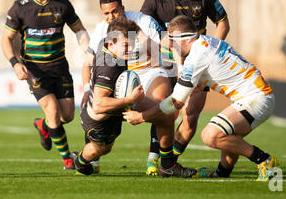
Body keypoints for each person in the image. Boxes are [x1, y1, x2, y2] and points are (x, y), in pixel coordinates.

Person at [124, 15, 278, 181]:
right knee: (228, 134)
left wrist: (141, 117)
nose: (172, 47)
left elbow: (175, 102)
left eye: (173, 41)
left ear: (185, 39)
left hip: (256, 98)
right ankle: (222, 173)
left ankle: (264, 159)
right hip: (256, 95)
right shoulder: (205, 42)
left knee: (211, 135)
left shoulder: (197, 55)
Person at [72, 17, 197, 178]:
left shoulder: (111, 40)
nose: (131, 49)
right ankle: (81, 161)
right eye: (126, 45)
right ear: (111, 44)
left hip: (119, 100)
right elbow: (99, 105)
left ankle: (167, 166)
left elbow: (130, 34)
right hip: (100, 118)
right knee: (101, 149)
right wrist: (130, 100)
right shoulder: (108, 67)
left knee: (165, 116)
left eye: (132, 43)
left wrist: (134, 28)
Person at [140, 0, 230, 171]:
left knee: (190, 116)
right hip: (166, 63)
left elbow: (223, 22)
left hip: (198, 63)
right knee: (164, 108)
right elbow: (143, 31)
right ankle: (155, 158)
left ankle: (168, 161)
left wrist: (211, 49)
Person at [1, 0, 90, 170]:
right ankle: (68, 159)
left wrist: (87, 49)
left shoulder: (62, 4)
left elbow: (79, 29)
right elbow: (6, 39)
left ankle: (42, 126)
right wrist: (15, 64)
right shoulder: (19, 8)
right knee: (51, 110)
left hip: (60, 68)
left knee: (66, 116)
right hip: (35, 70)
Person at [81, 0, 172, 174]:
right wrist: (86, 88)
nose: (110, 17)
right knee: (102, 130)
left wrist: (139, 34)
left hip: (149, 70)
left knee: (164, 107)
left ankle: (157, 163)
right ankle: (91, 162)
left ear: (123, 8)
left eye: (114, 11)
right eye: (106, 13)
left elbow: (162, 49)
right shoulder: (102, 32)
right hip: (123, 78)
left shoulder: (142, 21)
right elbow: (88, 63)